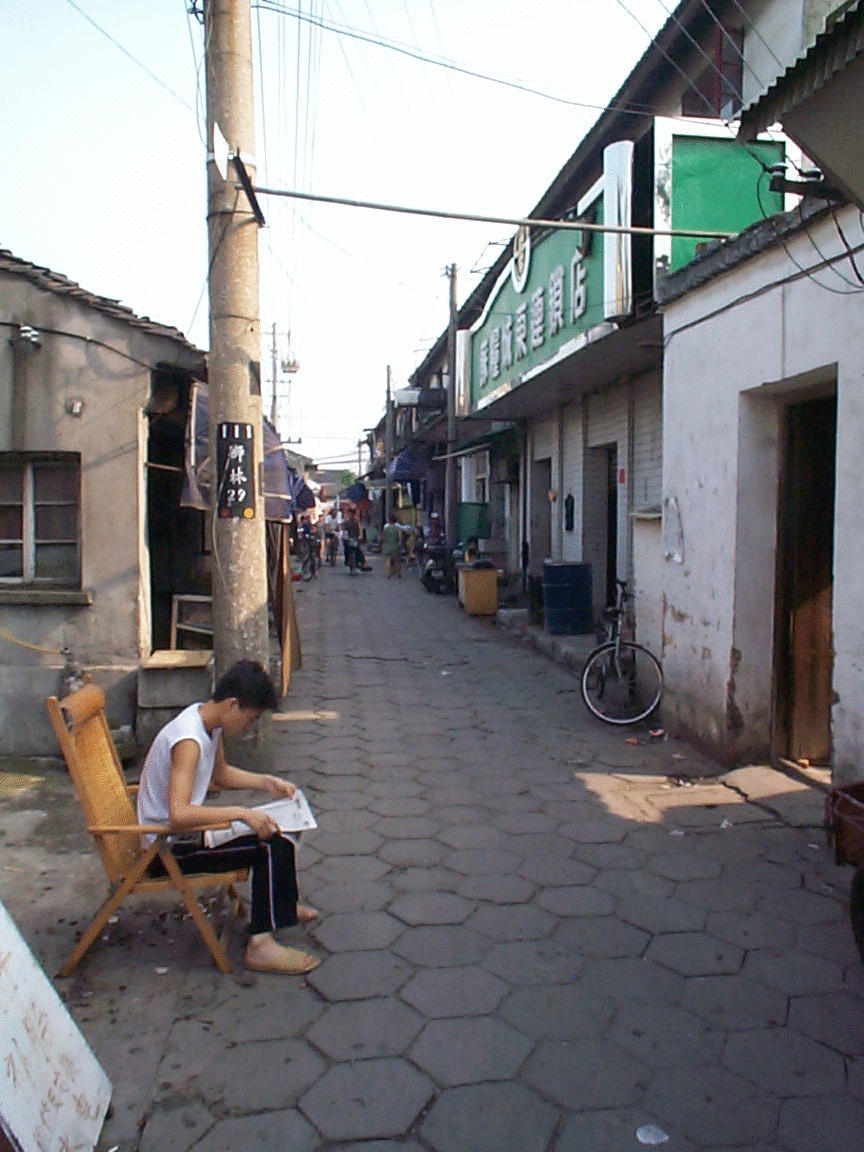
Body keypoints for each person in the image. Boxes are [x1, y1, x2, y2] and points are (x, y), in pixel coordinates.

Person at [136, 660, 320, 975]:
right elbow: (179, 814)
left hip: (184, 836)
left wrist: (266, 782)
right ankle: (260, 947)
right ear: (233, 704)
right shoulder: (188, 741)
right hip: (166, 849)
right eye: (250, 719)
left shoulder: (206, 722)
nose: (249, 727)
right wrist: (242, 813)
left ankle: (281, 906)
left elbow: (219, 774)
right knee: (269, 845)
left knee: (275, 830)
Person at [381, 513, 403, 579]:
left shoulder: (386, 528)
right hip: (395, 545)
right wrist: (400, 545)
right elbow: (400, 537)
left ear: (389, 520)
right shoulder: (397, 528)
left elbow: (383, 537)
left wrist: (383, 544)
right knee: (397, 560)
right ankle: (399, 574)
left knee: (388, 560)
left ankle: (388, 574)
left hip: (387, 545)